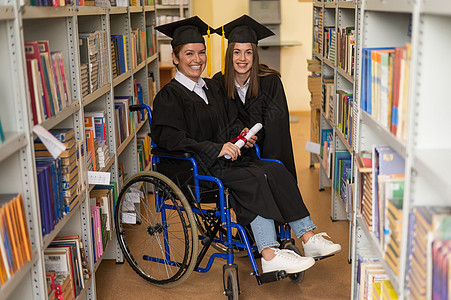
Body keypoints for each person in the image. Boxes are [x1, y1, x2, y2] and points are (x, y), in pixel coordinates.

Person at [151, 16, 341, 275]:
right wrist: (215, 148)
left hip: (226, 161)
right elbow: (168, 138)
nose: (196, 59)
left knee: (273, 169)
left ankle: (308, 237)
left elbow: (229, 121)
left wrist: (240, 133)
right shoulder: (169, 95)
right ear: (175, 58)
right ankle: (270, 253)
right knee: (254, 179)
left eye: (201, 53)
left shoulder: (211, 88)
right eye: (189, 54)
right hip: (197, 168)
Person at [213, 15, 297, 181]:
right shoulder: (219, 82)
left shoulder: (270, 82)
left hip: (265, 156)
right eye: (237, 52)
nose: (242, 59)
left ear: (255, 56)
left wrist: (268, 166)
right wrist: (239, 133)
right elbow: (220, 122)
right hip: (234, 157)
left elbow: (277, 132)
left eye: (248, 53)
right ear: (230, 54)